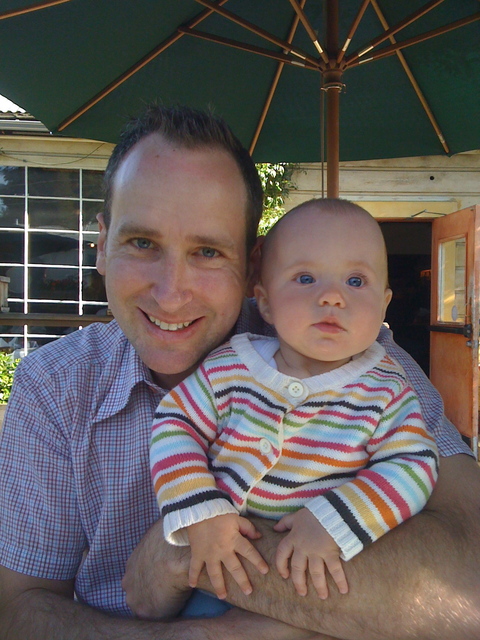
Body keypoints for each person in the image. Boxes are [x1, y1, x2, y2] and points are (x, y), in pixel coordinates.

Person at [0, 105, 478, 640]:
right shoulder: (54, 386)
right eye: (142, 243)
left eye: (207, 251)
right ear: (102, 247)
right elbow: (17, 611)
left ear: (251, 267)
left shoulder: (358, 358)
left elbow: (472, 574)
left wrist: (184, 554)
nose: (171, 293)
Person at [150, 199, 438, 605]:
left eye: (356, 281)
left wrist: (333, 521)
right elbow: (175, 422)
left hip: (319, 578)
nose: (332, 297)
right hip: (220, 566)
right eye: (305, 278)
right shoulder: (231, 366)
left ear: (383, 305)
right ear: (265, 302)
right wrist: (201, 510)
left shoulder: (386, 389)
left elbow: (414, 465)